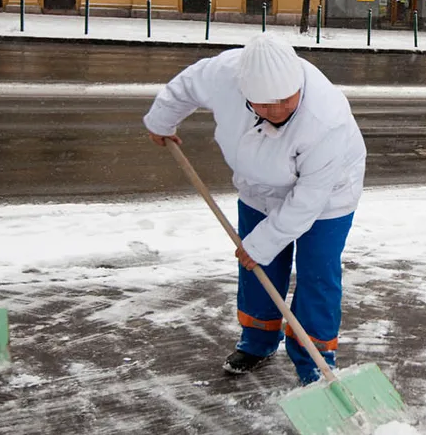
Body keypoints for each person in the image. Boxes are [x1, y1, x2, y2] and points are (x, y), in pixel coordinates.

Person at [143, 34, 365, 386]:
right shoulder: (225, 74)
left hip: (327, 197)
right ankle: (258, 342)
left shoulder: (326, 119)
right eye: (262, 103)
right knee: (257, 268)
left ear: (298, 85)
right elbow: (185, 87)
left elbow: (309, 199)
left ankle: (315, 364)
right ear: (244, 90)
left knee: (317, 274)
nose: (275, 111)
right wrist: (160, 122)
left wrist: (261, 243)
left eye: (284, 101)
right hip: (258, 188)